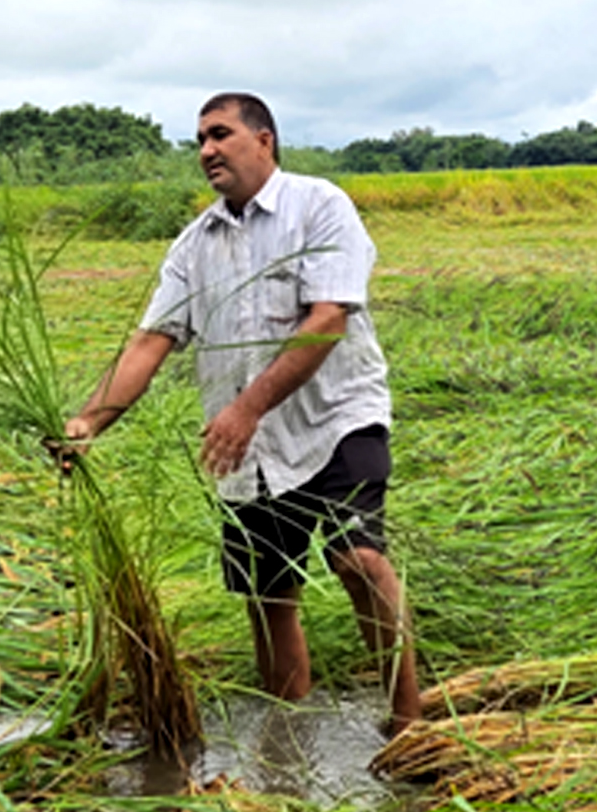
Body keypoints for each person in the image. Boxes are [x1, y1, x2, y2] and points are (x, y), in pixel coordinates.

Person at [61, 91, 422, 734]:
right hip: (250, 452)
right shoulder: (194, 245)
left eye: (220, 134)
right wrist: (89, 421)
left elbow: (327, 320)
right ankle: (288, 747)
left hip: (336, 417)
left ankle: (410, 725)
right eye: (199, 140)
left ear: (264, 141)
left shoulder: (319, 206)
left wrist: (245, 408)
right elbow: (151, 342)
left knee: (359, 560)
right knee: (269, 598)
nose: (206, 151)